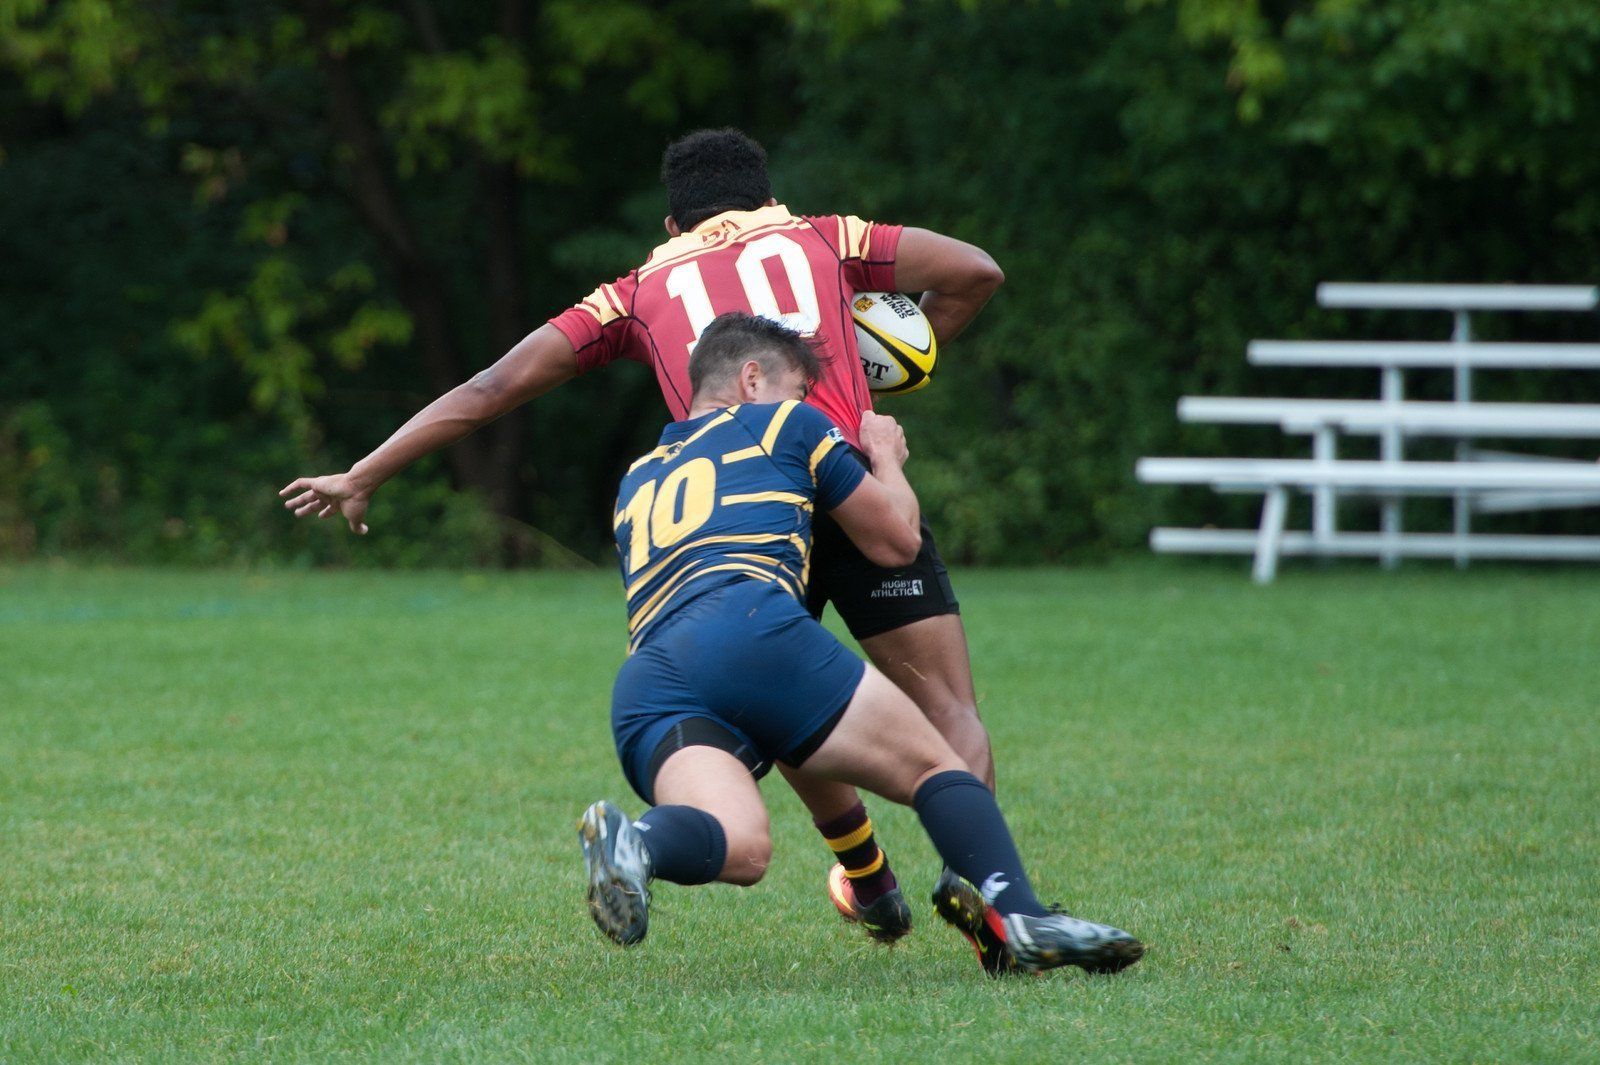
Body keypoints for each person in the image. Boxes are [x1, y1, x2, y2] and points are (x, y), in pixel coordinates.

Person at [279, 126, 1009, 965]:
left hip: (741, 517)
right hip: (846, 477)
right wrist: (895, 365)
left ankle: (867, 872)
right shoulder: (822, 234)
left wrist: (366, 472)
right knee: (948, 706)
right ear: (768, 196)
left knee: (785, 697)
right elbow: (975, 272)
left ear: (671, 223)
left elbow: (494, 387)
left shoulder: (635, 288)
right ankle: (982, 890)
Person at [579, 312, 1144, 977]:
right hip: (748, 623)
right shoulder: (785, 423)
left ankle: (636, 845)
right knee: (937, 767)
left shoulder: (636, 478)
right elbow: (896, 541)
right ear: (751, 378)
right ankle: (1020, 913)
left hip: (648, 679)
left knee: (744, 845)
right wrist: (886, 460)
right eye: (796, 391)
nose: (803, 407)